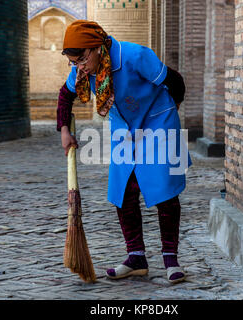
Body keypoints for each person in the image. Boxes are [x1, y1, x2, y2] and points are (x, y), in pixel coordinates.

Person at [57, 20, 191, 284]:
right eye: (73, 62)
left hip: (157, 122)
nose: (79, 67)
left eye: (82, 59)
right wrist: (64, 129)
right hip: (124, 129)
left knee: (163, 190)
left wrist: (170, 112)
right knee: (124, 193)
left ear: (97, 48)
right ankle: (136, 257)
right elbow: (65, 94)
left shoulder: (134, 55)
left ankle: (170, 259)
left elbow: (175, 81)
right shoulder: (84, 71)